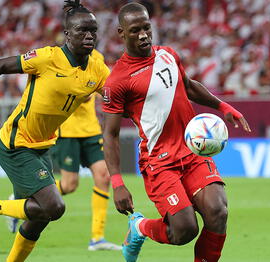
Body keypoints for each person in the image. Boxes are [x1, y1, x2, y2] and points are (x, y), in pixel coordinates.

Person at [0, 1, 110, 261]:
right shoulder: (47, 58)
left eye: (93, 31)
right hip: (15, 144)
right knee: (54, 206)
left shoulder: (97, 69)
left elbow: (117, 94)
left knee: (40, 216)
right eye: (82, 31)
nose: (89, 36)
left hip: (43, 147)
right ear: (67, 34)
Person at [102, 3, 251, 262]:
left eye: (147, 27)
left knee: (218, 212)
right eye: (135, 30)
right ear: (121, 33)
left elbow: (189, 86)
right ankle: (139, 227)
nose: (144, 35)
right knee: (184, 230)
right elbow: (110, 134)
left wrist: (222, 105)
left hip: (192, 153)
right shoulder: (118, 81)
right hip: (160, 162)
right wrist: (117, 183)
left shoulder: (168, 54)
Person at [7, 51, 121, 251]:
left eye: (91, 32)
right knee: (69, 185)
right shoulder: (60, 58)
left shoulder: (97, 58)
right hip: (66, 130)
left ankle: (97, 238)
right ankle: (20, 202)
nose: (88, 37)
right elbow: (81, 93)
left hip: (91, 130)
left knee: (104, 176)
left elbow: (105, 90)